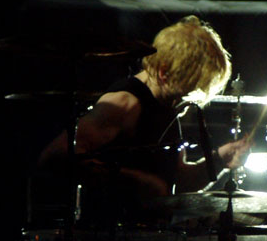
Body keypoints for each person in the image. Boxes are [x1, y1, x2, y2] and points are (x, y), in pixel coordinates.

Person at [35, 14, 252, 225]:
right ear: (164, 72)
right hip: (106, 237)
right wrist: (137, 180)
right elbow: (56, 156)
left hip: (145, 239)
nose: (187, 104)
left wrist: (220, 159)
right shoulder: (125, 103)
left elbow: (175, 183)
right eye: (184, 93)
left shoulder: (167, 106)